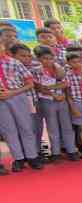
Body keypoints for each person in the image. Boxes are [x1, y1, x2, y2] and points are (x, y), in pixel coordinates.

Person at [0, 42, 43, 171]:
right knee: (9, 130)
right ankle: (18, 159)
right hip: (1, 101)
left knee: (26, 127)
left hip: (18, 96)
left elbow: (29, 84)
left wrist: (13, 92)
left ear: (3, 46)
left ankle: (32, 157)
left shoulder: (14, 63)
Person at [32, 45, 79, 162]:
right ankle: (56, 152)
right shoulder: (36, 71)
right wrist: (53, 94)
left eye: (50, 58)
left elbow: (66, 83)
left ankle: (71, 150)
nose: (48, 61)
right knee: (52, 127)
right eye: (44, 58)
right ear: (39, 59)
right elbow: (39, 88)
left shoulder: (60, 68)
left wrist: (53, 89)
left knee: (67, 126)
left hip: (62, 100)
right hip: (47, 101)